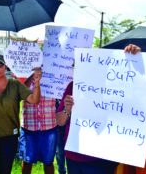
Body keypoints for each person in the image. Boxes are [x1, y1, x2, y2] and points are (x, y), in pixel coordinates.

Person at [56, 44, 141, 174]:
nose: (78, 70)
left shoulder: (114, 86)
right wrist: (67, 110)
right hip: (73, 155)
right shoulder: (72, 87)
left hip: (102, 158)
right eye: (77, 67)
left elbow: (134, 89)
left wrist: (134, 58)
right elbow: (59, 121)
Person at [0, 54, 42, 174]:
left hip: (9, 138)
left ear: (5, 67)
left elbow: (34, 100)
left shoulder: (15, 85)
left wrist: (37, 83)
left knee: (5, 171)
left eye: (0, 65)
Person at [19, 68, 57, 174]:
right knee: (27, 161)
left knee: (49, 162)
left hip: (49, 126)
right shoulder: (24, 73)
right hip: (29, 126)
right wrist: (32, 75)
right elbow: (19, 91)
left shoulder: (55, 73)